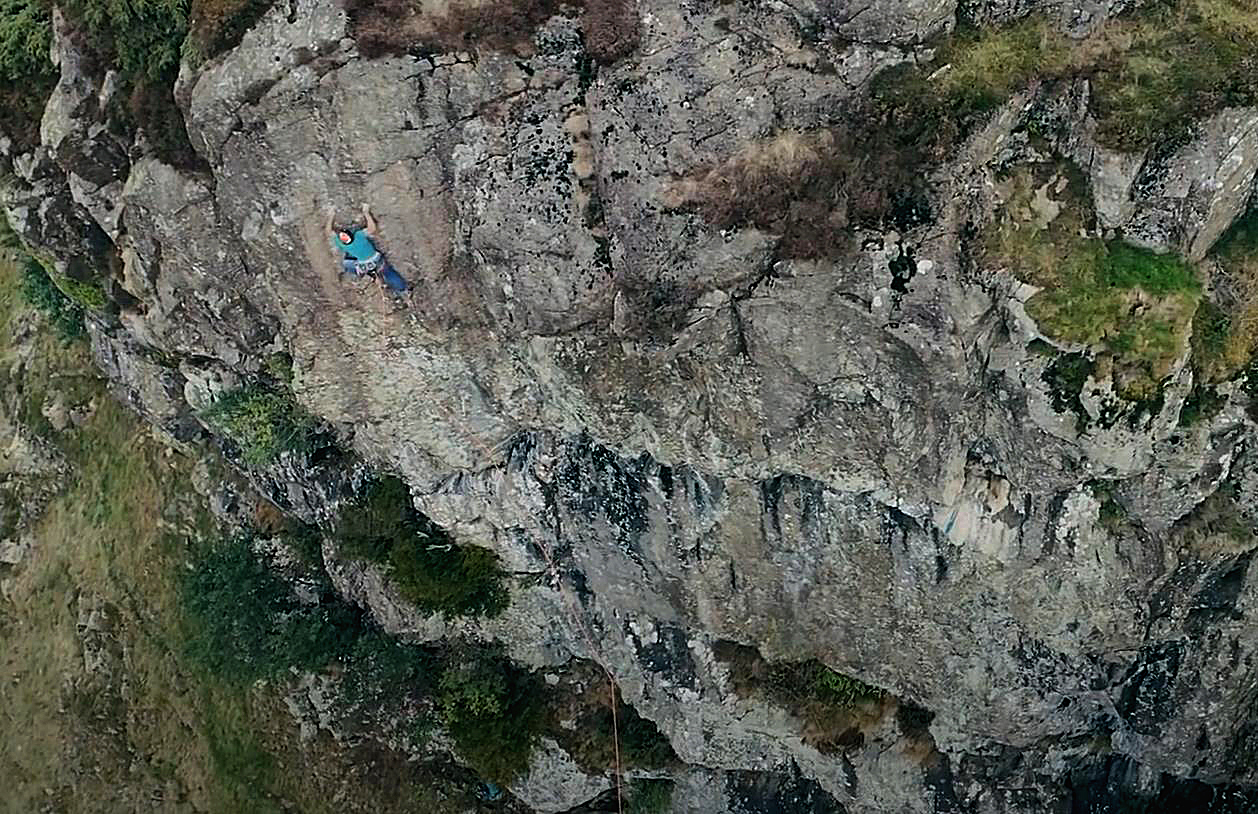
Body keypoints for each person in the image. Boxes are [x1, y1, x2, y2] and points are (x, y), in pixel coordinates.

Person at [326, 203, 411, 301]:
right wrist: (366, 213)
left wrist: (331, 217)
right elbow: (372, 229)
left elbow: (328, 232)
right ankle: (403, 290)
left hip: (363, 264)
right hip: (376, 259)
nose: (342, 237)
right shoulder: (359, 236)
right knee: (388, 273)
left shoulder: (340, 243)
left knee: (347, 264)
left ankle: (372, 276)